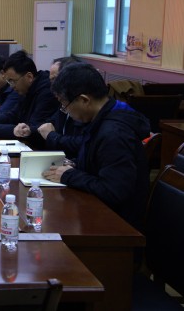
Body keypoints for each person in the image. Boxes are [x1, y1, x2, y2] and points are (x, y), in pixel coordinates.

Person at [42, 63, 150, 232]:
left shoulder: (114, 134)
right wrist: (74, 164)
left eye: (65, 104)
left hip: (116, 226)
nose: (65, 111)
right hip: (100, 211)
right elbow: (98, 162)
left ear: (84, 100)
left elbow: (114, 191)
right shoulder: (99, 119)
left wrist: (70, 175)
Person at [0, 50, 58, 149]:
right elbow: (14, 114)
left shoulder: (47, 92)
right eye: (9, 82)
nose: (11, 86)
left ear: (29, 77)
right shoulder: (26, 89)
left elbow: (29, 129)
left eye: (12, 81)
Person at [37, 56, 84, 158]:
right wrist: (29, 129)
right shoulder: (63, 100)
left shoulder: (81, 105)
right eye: (51, 81)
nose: (52, 87)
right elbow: (50, 123)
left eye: (55, 80)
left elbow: (80, 144)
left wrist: (52, 136)